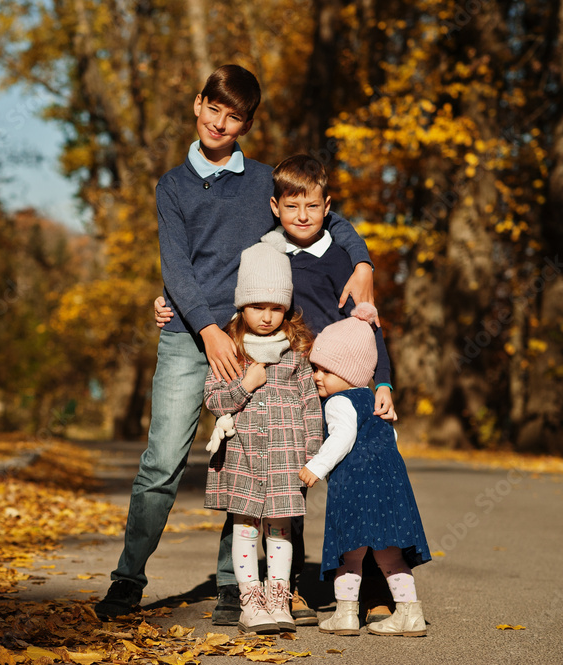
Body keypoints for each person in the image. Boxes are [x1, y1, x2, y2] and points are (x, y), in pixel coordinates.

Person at [94, 65, 376, 624]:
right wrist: (203, 327)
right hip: (189, 337)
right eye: (213, 109)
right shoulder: (173, 186)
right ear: (198, 104)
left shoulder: (264, 182)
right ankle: (127, 579)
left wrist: (363, 261)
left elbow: (327, 217)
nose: (220, 123)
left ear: (247, 123)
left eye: (234, 116)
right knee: (162, 462)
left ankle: (233, 583)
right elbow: (175, 263)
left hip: (256, 341)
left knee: (253, 456)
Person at [154, 153, 396, 625]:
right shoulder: (266, 250)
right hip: (294, 378)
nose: (301, 215)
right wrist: (172, 305)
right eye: (291, 207)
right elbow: (217, 277)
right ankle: (294, 590)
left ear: (326, 206)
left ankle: (375, 587)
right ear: (275, 207)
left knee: (358, 485)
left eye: (312, 206)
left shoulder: (344, 255)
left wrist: (381, 379)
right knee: (293, 485)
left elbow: (369, 323)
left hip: (343, 382)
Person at [202, 232, 323, 634]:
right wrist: (246, 384)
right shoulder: (229, 350)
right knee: (245, 527)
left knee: (281, 529)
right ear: (242, 305)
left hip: (287, 457)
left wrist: (312, 452)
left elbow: (310, 405)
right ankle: (250, 602)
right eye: (257, 306)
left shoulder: (297, 352)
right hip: (244, 457)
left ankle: (278, 597)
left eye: (276, 307)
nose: (267, 316)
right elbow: (214, 400)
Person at [299, 304, 431, 637]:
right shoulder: (376, 401)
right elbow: (392, 438)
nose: (317, 376)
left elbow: (342, 437)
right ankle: (409, 613)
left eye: (325, 370)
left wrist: (316, 466)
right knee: (390, 556)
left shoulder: (338, 402)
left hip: (355, 489)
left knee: (350, 554)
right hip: (390, 488)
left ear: (351, 372)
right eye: (315, 368)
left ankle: (345, 614)